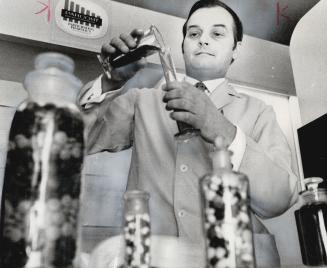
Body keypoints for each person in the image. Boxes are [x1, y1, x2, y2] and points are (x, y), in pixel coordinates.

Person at [78, 0, 298, 266]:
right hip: (155, 259)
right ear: (182, 46)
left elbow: (281, 197)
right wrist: (110, 82)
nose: (203, 40)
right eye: (193, 33)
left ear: (235, 49)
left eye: (217, 33)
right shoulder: (142, 101)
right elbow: (77, 140)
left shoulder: (259, 111)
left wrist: (220, 127)